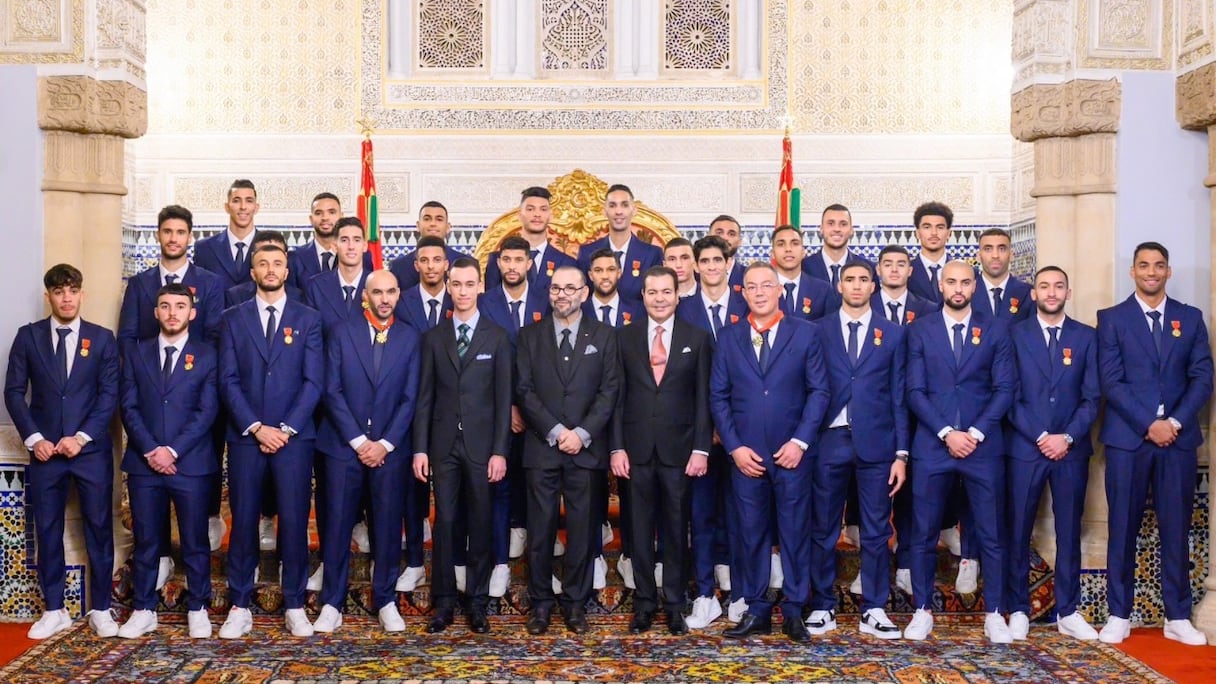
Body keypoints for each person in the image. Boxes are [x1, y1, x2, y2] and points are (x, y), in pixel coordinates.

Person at [1096, 242, 1213, 646]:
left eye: (1158, 265)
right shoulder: (1111, 319)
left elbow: (1202, 378)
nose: (1151, 272)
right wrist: (1150, 423)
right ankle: (1118, 614)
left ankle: (1177, 616)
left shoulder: (1190, 318)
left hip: (1177, 441)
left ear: (1169, 271)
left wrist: (1174, 422)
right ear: (1132, 272)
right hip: (1129, 440)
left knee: (1176, 528)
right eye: (1143, 265)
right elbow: (1111, 381)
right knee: (1122, 526)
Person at [712, 262, 830, 643]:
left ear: (780, 290)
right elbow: (719, 396)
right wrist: (734, 447)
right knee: (750, 534)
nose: (759, 292)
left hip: (792, 454)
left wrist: (800, 442)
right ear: (741, 293)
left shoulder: (807, 333)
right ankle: (756, 609)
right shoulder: (728, 338)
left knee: (796, 532)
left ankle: (795, 609)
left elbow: (820, 392)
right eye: (751, 287)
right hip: (747, 457)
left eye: (767, 286)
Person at [5, 264, 120, 639]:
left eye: (72, 290)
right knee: (47, 530)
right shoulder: (28, 337)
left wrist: (82, 437)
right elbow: (13, 392)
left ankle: (101, 608)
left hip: (89, 453)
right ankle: (54, 609)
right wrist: (35, 439)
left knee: (99, 529)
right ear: (49, 296)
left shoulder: (102, 339)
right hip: (45, 454)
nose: (66, 297)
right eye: (59, 291)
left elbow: (108, 395)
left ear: (81, 294)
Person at [216, 242, 324, 639]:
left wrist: (286, 428)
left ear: (287, 270)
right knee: (243, 522)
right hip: (247, 438)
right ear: (253, 272)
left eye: (277, 262)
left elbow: (314, 382)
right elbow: (226, 380)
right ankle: (240, 604)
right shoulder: (232, 318)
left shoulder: (308, 319)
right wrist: (256, 427)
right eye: (263, 263)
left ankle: (294, 603)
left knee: (294, 522)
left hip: (294, 440)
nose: (271, 268)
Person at [903, 260, 1015, 644]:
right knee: (922, 533)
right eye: (951, 281)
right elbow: (914, 391)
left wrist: (976, 432)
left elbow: (1004, 389)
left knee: (991, 534)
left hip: (983, 448)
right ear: (940, 283)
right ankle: (922, 610)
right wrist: (948, 432)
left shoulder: (997, 329)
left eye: (965, 282)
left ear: (974, 286)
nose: (958, 287)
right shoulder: (919, 330)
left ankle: (995, 614)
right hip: (933, 446)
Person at [312, 270, 419, 635]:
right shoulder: (342, 332)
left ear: (399, 294)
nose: (385, 298)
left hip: (391, 451)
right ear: (365, 296)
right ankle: (332, 602)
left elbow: (410, 397)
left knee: (388, 527)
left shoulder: (410, 336)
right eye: (378, 292)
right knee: (338, 525)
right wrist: (359, 441)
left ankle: (385, 599)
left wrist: (384, 443)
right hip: (343, 448)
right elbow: (332, 391)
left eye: (391, 291)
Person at [117, 204, 226, 563]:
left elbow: (213, 336)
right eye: (167, 232)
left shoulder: (210, 282)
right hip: (148, 399)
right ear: (159, 236)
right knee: (150, 502)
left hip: (192, 393)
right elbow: (127, 337)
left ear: (189, 237)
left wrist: (187, 369)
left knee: (192, 493)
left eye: (180, 232)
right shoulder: (140, 284)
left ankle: (207, 522)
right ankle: (159, 557)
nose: (174, 238)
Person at [515, 266, 620, 635]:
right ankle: (541, 604)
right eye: (556, 288)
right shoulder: (529, 336)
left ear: (585, 293)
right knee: (540, 532)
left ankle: (575, 604)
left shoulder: (606, 337)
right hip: (542, 448)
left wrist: (583, 433)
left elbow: (609, 392)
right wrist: (558, 431)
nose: (563, 294)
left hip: (586, 451)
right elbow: (524, 390)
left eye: (571, 288)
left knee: (582, 531)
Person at [807, 262, 907, 640]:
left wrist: (901, 454)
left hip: (877, 443)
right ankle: (822, 605)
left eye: (863, 279)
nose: (856, 285)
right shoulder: (817, 330)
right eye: (849, 279)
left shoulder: (894, 334)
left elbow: (898, 396)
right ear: (839, 285)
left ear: (873, 285)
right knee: (823, 526)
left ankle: (875, 608)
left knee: (877, 529)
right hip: (829, 440)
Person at [413, 258, 514, 634]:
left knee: (481, 522)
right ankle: (443, 602)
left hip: (483, 447)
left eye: (470, 284)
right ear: (449, 287)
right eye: (457, 284)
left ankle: (478, 602)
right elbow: (424, 398)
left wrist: (500, 451)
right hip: (442, 447)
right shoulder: (434, 338)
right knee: (446, 524)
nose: (464, 291)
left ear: (480, 288)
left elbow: (504, 402)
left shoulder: (497, 337)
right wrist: (420, 449)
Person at [611, 266, 712, 636]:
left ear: (677, 295)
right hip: (634, 452)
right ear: (643, 296)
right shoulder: (623, 338)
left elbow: (704, 400)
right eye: (652, 292)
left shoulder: (697, 338)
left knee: (675, 528)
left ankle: (673, 603)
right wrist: (616, 447)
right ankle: (644, 602)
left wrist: (701, 448)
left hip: (680, 452)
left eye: (666, 292)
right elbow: (616, 398)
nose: (659, 298)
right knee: (637, 531)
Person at [116, 282, 219, 639]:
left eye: (180, 306)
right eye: (165, 306)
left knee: (194, 540)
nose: (172, 312)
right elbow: (127, 405)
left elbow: (207, 410)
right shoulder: (137, 353)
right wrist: (151, 449)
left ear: (192, 312)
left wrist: (172, 450)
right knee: (146, 540)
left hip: (190, 463)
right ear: (155, 312)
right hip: (144, 465)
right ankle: (143, 609)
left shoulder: (208, 354)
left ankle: (198, 607)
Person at [1005, 266, 1101, 641]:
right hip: (1025, 448)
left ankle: (1068, 610)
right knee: (1018, 530)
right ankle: (1018, 608)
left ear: (1068, 292)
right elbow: (1008, 396)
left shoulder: (1086, 337)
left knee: (1069, 530)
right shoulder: (1013, 336)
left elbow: (1092, 398)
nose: (1051, 292)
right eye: (1043, 286)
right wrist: (1042, 435)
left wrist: (1067, 437)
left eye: (1058, 286)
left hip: (1070, 452)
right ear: (1033, 294)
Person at [675, 234, 748, 627]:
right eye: (705, 261)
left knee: (739, 515)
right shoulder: (682, 310)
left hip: (743, 434)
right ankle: (705, 593)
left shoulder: (747, 304)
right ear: (696, 266)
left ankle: (739, 592)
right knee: (700, 516)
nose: (712, 267)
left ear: (727, 263)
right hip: (697, 435)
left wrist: (730, 427)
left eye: (718, 260)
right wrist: (708, 428)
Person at [301, 216, 373, 591]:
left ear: (364, 245)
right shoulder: (316, 287)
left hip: (373, 403)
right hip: (328, 403)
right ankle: (329, 562)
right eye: (342, 239)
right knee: (329, 491)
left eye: (355, 239)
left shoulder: (378, 284)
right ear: (334, 246)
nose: (348, 245)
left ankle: (373, 549)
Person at [478, 236, 550, 592]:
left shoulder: (545, 300)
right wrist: (507, 406)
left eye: (518, 260)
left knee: (538, 486)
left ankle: (542, 562)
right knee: (500, 487)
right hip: (496, 410)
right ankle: (500, 563)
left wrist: (528, 407)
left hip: (539, 409)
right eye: (506, 259)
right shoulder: (483, 302)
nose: (512, 266)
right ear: (499, 263)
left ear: (528, 264)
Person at [393, 233, 452, 592]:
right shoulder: (403, 301)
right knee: (412, 492)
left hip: (452, 410)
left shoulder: (461, 298)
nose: (431, 266)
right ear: (416, 266)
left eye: (437, 260)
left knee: (450, 493)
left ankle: (452, 562)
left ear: (446, 264)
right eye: (424, 261)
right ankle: (414, 561)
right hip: (411, 407)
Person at [579, 247, 640, 589]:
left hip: (629, 413)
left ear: (619, 274)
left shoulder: (636, 311)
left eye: (610, 270)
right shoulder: (576, 311)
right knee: (588, 487)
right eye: (598, 270)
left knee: (631, 487)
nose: (604, 275)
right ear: (590, 276)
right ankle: (594, 555)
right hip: (587, 414)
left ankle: (630, 555)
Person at [576, 184, 662, 306]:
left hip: (638, 323)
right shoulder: (587, 253)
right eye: (612, 205)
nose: (618, 211)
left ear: (634, 210)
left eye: (625, 205)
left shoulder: (652, 254)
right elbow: (582, 297)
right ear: (604, 211)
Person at [485, 187, 577, 292]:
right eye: (530, 209)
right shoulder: (498, 260)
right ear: (519, 215)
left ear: (551, 216)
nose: (537, 214)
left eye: (543, 209)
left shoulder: (566, 262)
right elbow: (491, 301)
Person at [287, 192, 373, 290]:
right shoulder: (295, 257)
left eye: (331, 212)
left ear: (341, 216)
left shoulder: (361, 256)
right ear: (311, 219)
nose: (325, 218)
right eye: (318, 213)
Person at [193, 179, 259, 289]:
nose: (243, 206)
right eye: (236, 201)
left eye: (249, 200)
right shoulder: (204, 248)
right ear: (227, 207)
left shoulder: (269, 246)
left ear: (256, 208)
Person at [389, 201, 464, 291]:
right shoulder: (399, 267)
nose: (433, 224)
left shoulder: (465, 263)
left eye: (439, 219)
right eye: (427, 219)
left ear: (448, 227)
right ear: (418, 226)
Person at [771, 224, 837, 321]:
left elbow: (829, 328)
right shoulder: (763, 289)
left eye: (795, 243)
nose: (788, 249)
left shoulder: (822, 290)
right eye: (781, 244)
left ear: (803, 252)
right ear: (772, 253)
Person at [225, 230, 305, 308]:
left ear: (286, 257)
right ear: (253, 256)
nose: (270, 269)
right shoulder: (236, 296)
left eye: (276, 251)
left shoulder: (299, 297)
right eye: (264, 251)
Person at [802, 204, 874, 286]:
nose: (837, 229)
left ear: (851, 230)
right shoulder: (803, 267)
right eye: (831, 223)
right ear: (821, 229)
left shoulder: (869, 268)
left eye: (843, 224)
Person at [971, 228, 1031, 323]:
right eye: (988, 249)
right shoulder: (968, 292)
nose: (995, 255)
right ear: (978, 256)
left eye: (1002, 249)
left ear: (1011, 255)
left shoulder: (1027, 293)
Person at [907, 201, 952, 305]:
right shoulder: (905, 274)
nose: (934, 233)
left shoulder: (968, 273)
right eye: (927, 227)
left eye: (940, 227)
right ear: (917, 233)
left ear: (949, 233)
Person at [708, 214, 746, 290]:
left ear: (740, 241)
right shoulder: (694, 276)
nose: (725, 238)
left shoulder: (749, 275)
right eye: (719, 233)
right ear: (708, 237)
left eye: (731, 234)